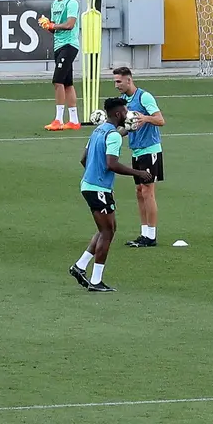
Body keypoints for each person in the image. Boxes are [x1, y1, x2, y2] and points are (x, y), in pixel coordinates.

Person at [70, 94, 153, 294]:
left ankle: (80, 267)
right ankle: (96, 280)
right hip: (97, 189)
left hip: (92, 186)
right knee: (107, 232)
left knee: (108, 228)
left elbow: (84, 159)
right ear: (118, 113)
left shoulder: (99, 130)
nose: (127, 114)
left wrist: (96, 176)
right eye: (125, 111)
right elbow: (111, 164)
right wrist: (139, 173)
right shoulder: (113, 135)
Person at [112, 68, 164, 248]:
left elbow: (160, 120)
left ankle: (151, 236)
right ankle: (144, 234)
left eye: (119, 81)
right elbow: (128, 127)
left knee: (148, 192)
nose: (116, 85)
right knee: (139, 192)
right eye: (115, 81)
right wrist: (115, 135)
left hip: (150, 150)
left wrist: (145, 119)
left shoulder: (144, 97)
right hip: (136, 151)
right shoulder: (124, 102)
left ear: (129, 80)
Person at [39, 0, 82, 130]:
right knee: (67, 83)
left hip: (69, 45)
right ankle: (74, 120)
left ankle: (58, 119)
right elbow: (56, 29)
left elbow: (70, 25)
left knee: (57, 81)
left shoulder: (71, 3)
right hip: (59, 45)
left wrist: (53, 25)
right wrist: (48, 26)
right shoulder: (54, 4)